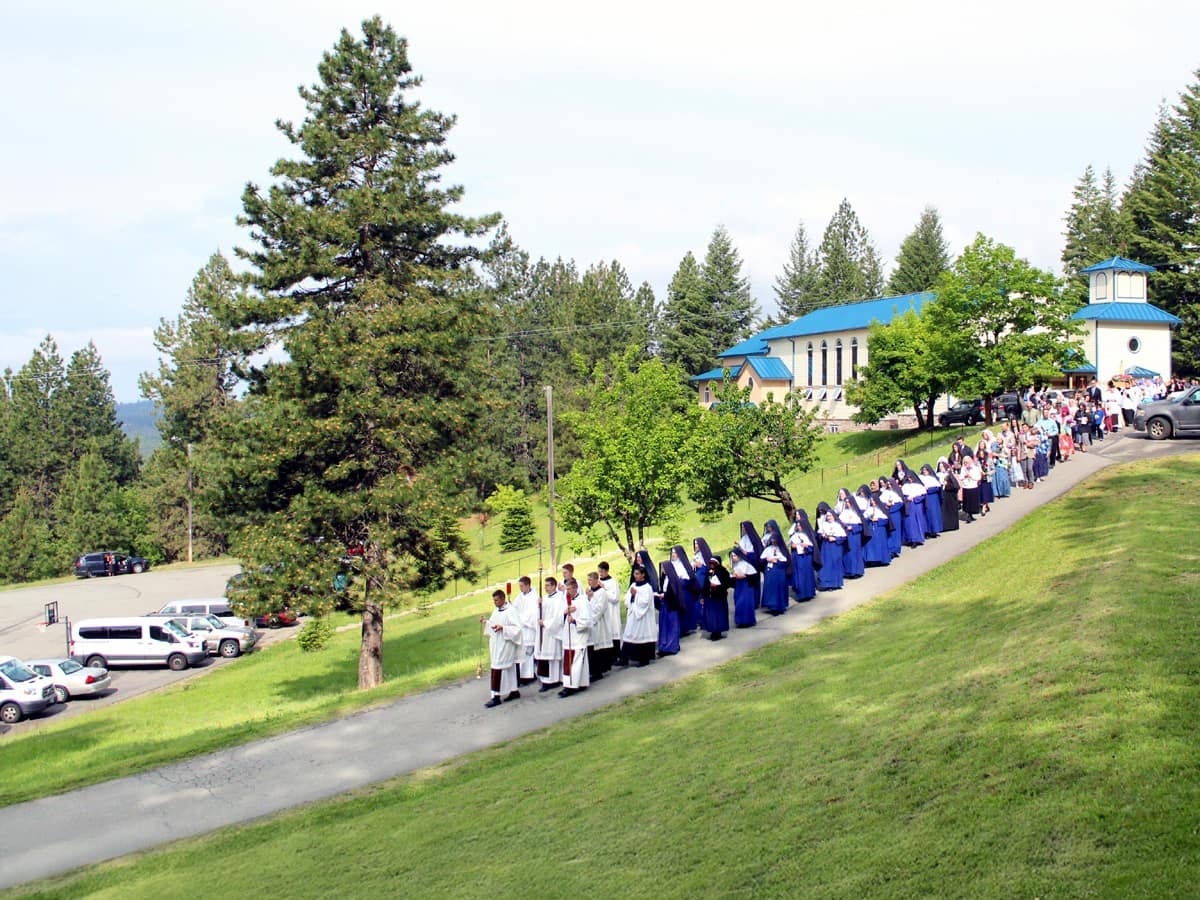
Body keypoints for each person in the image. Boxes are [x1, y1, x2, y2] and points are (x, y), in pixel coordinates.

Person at [482, 589, 522, 708]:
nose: (495, 602)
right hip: (496, 643)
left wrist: (503, 628)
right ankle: (514, 691)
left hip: (506, 643)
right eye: (494, 600)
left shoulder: (511, 611)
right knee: (510, 668)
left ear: (503, 599)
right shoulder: (496, 611)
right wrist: (486, 622)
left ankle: (496, 696)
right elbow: (493, 624)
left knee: (497, 667)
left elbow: (517, 629)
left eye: (497, 600)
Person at [559, 577, 591, 697]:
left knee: (576, 661)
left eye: (569, 589)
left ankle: (570, 686)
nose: (567, 591)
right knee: (569, 661)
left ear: (576, 588)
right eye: (566, 589)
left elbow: (587, 620)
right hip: (568, 636)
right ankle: (580, 683)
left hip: (578, 636)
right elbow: (559, 617)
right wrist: (565, 613)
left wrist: (574, 621)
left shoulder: (583, 601)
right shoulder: (565, 601)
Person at [534, 577, 566, 692]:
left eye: (548, 585)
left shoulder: (559, 599)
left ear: (553, 586)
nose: (545, 588)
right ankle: (546, 680)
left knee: (552, 657)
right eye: (545, 586)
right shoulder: (545, 598)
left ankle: (554, 680)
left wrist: (545, 623)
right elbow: (539, 613)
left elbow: (559, 617)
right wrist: (539, 605)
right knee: (544, 656)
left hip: (552, 632)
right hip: (544, 631)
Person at [620, 565, 657, 666]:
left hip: (643, 617)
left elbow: (645, 602)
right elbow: (626, 599)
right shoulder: (633, 585)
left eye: (637, 574)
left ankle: (643, 659)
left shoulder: (647, 588)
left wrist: (636, 595)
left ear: (643, 575)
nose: (635, 576)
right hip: (633, 616)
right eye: (634, 573)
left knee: (642, 637)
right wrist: (632, 597)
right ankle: (624, 659)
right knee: (629, 635)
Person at [696, 539, 731, 640]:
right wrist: (703, 596)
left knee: (718, 616)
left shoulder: (723, 572)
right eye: (710, 563)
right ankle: (712, 631)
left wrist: (717, 587)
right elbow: (705, 585)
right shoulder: (709, 572)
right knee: (711, 616)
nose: (711, 565)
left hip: (719, 598)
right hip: (709, 598)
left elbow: (727, 584)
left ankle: (718, 632)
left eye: (713, 563)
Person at [511, 576, 539, 686]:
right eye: (519, 586)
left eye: (522, 586)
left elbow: (532, 615)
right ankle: (523, 676)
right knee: (522, 653)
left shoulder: (534, 597)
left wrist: (520, 618)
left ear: (528, 585)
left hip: (529, 629)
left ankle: (529, 676)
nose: (520, 588)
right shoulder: (520, 596)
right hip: (522, 630)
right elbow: (514, 608)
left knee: (528, 653)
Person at [584, 571, 611, 681]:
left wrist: (591, 598)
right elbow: (585, 606)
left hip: (599, 623)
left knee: (597, 648)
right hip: (590, 624)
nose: (588, 582)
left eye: (590, 580)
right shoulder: (589, 591)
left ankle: (598, 672)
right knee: (591, 648)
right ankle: (592, 671)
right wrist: (587, 598)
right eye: (588, 580)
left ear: (596, 580)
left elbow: (600, 609)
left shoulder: (602, 592)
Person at [815, 502, 847, 591]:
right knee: (826, 565)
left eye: (830, 516)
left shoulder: (838, 525)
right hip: (826, 547)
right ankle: (826, 584)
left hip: (835, 548)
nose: (829, 518)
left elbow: (843, 537)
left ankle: (835, 584)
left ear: (834, 516)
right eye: (828, 516)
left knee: (835, 564)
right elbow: (819, 534)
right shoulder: (824, 525)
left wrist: (835, 539)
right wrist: (823, 536)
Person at [787, 509, 818, 600]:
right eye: (797, 526)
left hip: (806, 558)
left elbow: (812, 547)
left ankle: (809, 593)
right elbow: (790, 544)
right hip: (798, 558)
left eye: (800, 526)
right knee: (799, 577)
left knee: (807, 575)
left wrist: (806, 546)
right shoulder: (795, 535)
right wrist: (793, 546)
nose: (798, 527)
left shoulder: (807, 534)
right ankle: (801, 595)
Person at [835, 489, 866, 578]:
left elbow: (861, 527)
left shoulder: (856, 513)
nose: (847, 504)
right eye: (846, 503)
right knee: (847, 554)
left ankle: (857, 571)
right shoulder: (843, 513)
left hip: (854, 536)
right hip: (847, 536)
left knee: (855, 553)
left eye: (848, 502)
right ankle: (848, 572)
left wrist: (853, 528)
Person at [597, 561, 622, 671]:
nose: (600, 574)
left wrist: (604, 589)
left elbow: (615, 598)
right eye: (599, 571)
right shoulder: (598, 581)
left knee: (613, 632)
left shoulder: (612, 582)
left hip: (612, 611)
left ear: (607, 571)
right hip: (603, 612)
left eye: (602, 571)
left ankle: (616, 656)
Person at [759, 526, 790, 614]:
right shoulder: (768, 549)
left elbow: (786, 561)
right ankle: (772, 606)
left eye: (775, 540)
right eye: (772, 540)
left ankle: (780, 606)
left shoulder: (782, 549)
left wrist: (777, 561)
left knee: (779, 588)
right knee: (771, 588)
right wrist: (767, 560)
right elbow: (761, 559)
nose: (773, 542)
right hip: (770, 571)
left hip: (779, 571)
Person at [729, 546, 758, 628]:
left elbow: (747, 575)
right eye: (732, 556)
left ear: (739, 555)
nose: (733, 558)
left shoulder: (745, 564)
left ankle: (747, 621)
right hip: (739, 586)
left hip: (746, 586)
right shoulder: (735, 565)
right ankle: (740, 621)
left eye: (734, 556)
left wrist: (739, 575)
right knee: (738, 603)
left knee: (745, 603)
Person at [861, 492, 891, 566]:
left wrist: (878, 519)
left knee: (881, 544)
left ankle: (883, 560)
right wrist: (869, 519)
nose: (872, 502)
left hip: (880, 529)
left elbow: (886, 520)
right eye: (871, 501)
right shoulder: (869, 509)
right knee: (871, 545)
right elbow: (864, 518)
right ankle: (872, 560)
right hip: (871, 529)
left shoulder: (881, 509)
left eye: (874, 501)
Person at [878, 477, 904, 558]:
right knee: (889, 532)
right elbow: (880, 502)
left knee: (896, 531)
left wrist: (891, 508)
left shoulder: (897, 492)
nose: (889, 486)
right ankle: (890, 549)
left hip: (895, 514)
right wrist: (886, 506)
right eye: (888, 484)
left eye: (890, 484)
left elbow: (900, 503)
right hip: (888, 514)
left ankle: (896, 549)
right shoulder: (885, 493)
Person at [899, 474, 927, 546]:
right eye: (908, 478)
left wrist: (915, 499)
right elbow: (902, 496)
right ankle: (911, 539)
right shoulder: (905, 486)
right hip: (909, 505)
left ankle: (918, 539)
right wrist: (907, 498)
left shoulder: (919, 486)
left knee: (918, 522)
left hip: (917, 505)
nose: (910, 479)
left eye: (911, 478)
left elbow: (923, 496)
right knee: (909, 523)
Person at [918, 465, 944, 535]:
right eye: (923, 470)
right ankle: (927, 531)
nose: (924, 471)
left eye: (926, 470)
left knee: (933, 514)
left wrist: (928, 489)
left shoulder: (933, 478)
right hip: (925, 498)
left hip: (933, 498)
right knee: (926, 515)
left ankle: (934, 530)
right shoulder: (920, 478)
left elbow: (937, 488)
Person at [937, 458, 961, 531]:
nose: (941, 468)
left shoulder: (949, 474)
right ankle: (945, 527)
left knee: (950, 511)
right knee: (943, 512)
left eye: (942, 467)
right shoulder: (937, 475)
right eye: (940, 467)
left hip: (950, 496)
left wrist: (947, 485)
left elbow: (956, 486)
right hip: (942, 496)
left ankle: (952, 526)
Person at [959, 454, 982, 523]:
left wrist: (971, 476)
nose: (966, 464)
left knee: (973, 502)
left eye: (967, 462)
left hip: (973, 487)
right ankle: (968, 516)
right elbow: (960, 477)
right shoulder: (963, 469)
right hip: (966, 487)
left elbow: (978, 477)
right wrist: (964, 476)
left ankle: (971, 515)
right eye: (965, 462)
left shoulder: (975, 468)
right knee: (967, 503)